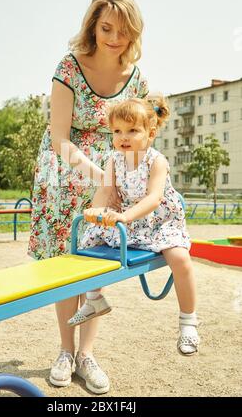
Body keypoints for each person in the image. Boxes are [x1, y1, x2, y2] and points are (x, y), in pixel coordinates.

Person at [28, 0, 149, 394]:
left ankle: (87, 354)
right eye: (106, 28)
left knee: (95, 264)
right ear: (93, 26)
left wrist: (135, 179)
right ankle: (65, 350)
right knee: (66, 264)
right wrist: (103, 177)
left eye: (123, 31)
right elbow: (60, 138)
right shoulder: (69, 66)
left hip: (112, 173)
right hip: (68, 171)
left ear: (134, 34)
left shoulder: (136, 79)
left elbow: (140, 134)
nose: (114, 38)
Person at [68, 96, 200, 357]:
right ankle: (94, 300)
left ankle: (188, 321)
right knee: (88, 242)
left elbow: (154, 198)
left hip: (157, 221)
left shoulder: (156, 161)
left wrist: (125, 217)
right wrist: (96, 211)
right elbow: (104, 191)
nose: (123, 137)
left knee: (180, 258)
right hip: (128, 220)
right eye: (117, 131)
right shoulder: (113, 160)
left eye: (132, 130)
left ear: (150, 134)